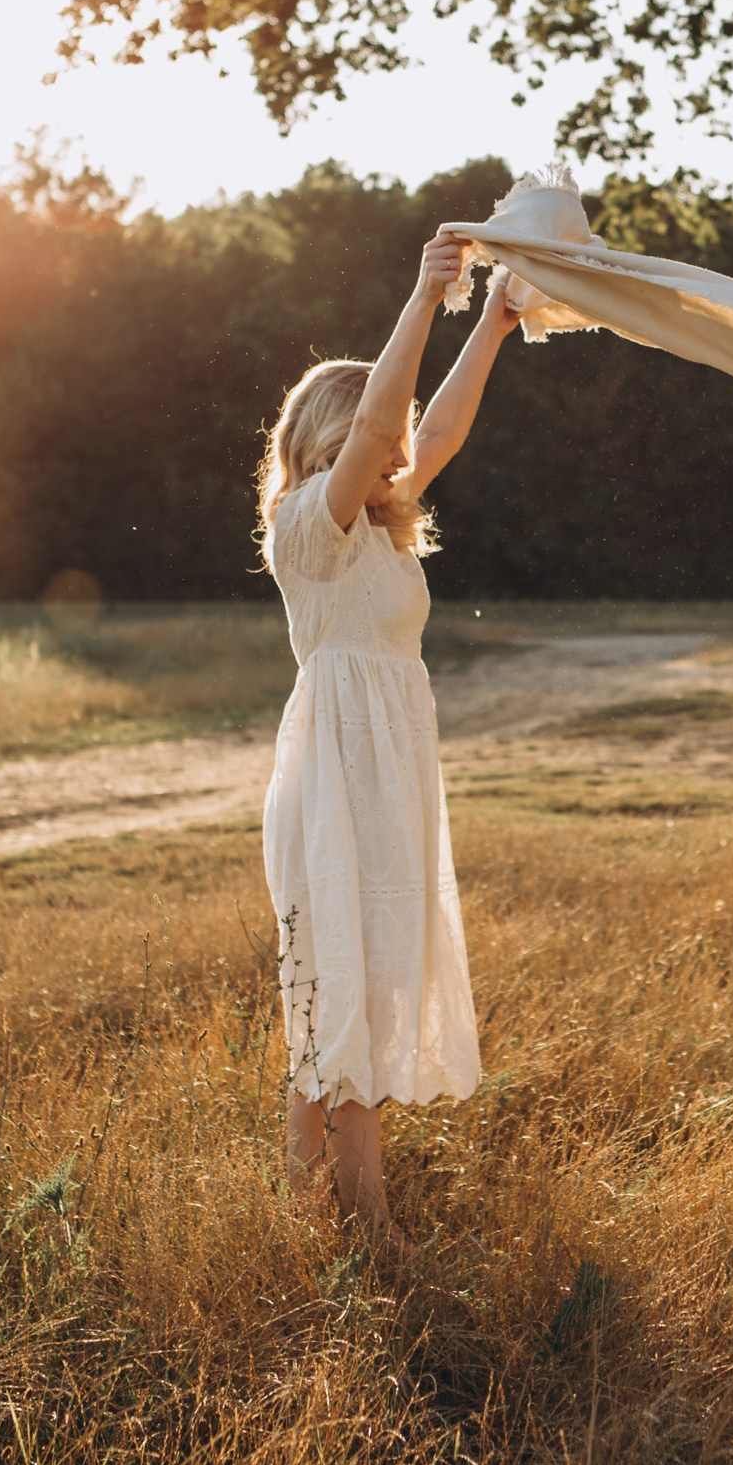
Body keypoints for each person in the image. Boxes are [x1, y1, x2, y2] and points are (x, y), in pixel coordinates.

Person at [256, 233, 518, 1240]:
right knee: (338, 993)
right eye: (381, 434)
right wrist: (422, 292)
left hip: (390, 780)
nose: (402, 449)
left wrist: (489, 322)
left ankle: (303, 1205)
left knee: (348, 993)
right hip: (332, 782)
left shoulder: (384, 523)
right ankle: (368, 1227)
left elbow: (438, 425)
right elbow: (384, 418)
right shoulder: (308, 532)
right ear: (336, 435)